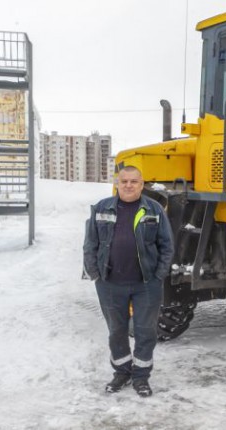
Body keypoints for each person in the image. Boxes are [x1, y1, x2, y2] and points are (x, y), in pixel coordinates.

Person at [83, 165, 174, 397]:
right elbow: (90, 244)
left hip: (146, 284)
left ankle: (141, 377)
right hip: (110, 283)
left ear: (142, 185)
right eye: (124, 181)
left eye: (134, 181)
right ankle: (121, 372)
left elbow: (167, 245)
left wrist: (159, 275)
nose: (129, 185)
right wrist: (96, 275)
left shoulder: (154, 209)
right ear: (117, 183)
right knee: (116, 331)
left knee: (146, 331)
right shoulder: (101, 208)